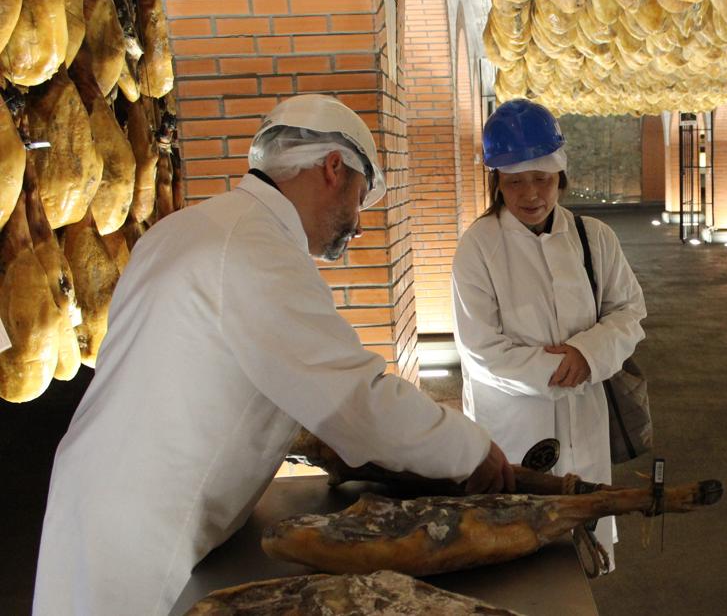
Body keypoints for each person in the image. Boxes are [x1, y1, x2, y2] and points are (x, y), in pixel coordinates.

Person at [33, 95, 513, 615]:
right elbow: (354, 398)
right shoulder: (255, 248)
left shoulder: (196, 226)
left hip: (103, 496)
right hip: (145, 533)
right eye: (359, 199)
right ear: (334, 169)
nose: (355, 223)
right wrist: (471, 448)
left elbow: (217, 370)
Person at [451, 99, 646, 568]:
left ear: (561, 174)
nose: (530, 193)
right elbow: (481, 350)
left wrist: (588, 352)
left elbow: (629, 311)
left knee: (584, 539)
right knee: (515, 552)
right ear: (497, 181)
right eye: (515, 181)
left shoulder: (593, 237)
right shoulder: (477, 247)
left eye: (542, 178)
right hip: (514, 424)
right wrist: (561, 368)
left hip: (585, 415)